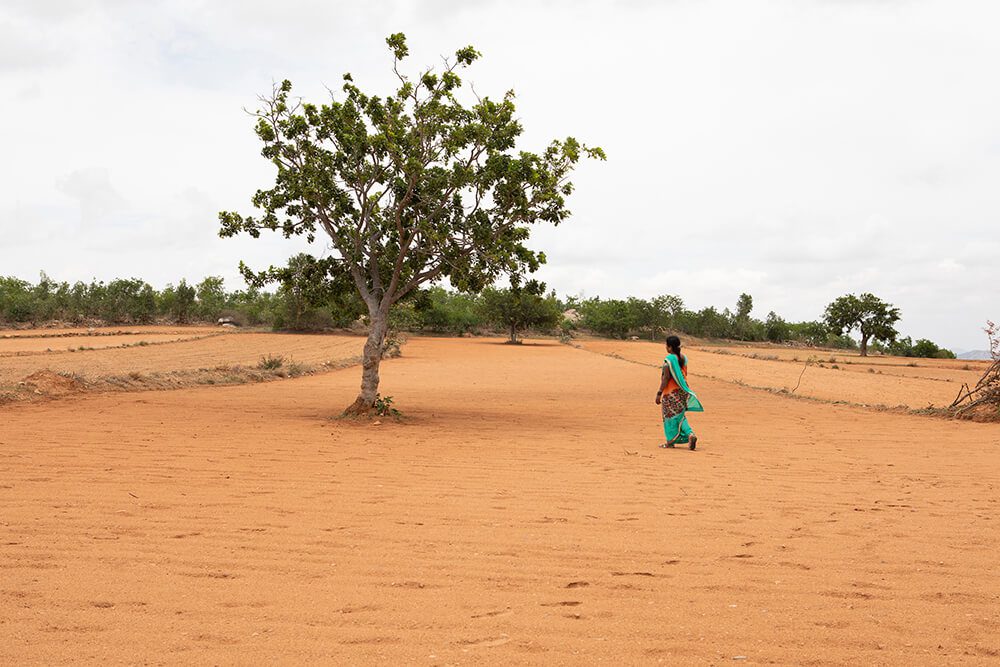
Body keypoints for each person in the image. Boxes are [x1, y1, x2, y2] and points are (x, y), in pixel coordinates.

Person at [655, 335, 704, 450]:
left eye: (666, 345)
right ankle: (690, 434)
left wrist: (659, 393)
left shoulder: (669, 360)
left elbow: (665, 379)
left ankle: (670, 442)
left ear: (670, 347)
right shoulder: (683, 358)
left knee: (670, 417)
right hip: (682, 391)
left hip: (670, 393)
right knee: (680, 416)